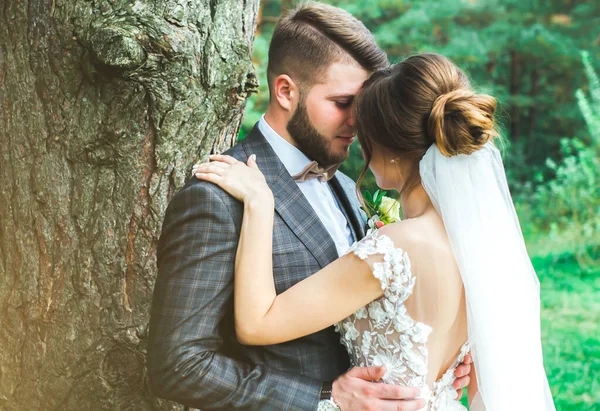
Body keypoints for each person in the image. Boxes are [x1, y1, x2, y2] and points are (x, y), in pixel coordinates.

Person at [147, 3, 471, 410]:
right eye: (342, 102)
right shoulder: (216, 198)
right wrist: (325, 398)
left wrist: (437, 357)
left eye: (364, 105)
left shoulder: (349, 190)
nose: (360, 121)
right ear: (285, 91)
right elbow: (179, 365)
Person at [193, 53, 556, 410]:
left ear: (390, 149)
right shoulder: (481, 247)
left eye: (364, 132)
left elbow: (257, 323)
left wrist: (259, 202)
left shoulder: (395, 249)